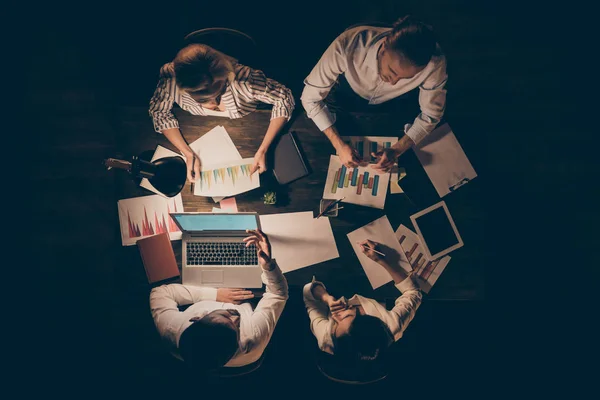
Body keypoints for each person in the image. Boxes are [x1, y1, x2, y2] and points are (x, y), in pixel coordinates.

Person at [301, 15, 447, 172]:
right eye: (392, 71)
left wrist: (397, 149)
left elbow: (431, 116)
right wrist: (339, 144)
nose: (393, 83)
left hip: (394, 106)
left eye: (406, 79)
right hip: (343, 96)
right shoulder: (347, 44)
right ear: (384, 47)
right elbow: (309, 98)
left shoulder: (434, 64)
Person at [149, 44, 295, 181]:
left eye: (221, 91)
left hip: (252, 126)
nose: (214, 103)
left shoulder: (246, 80)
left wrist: (263, 149)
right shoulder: (170, 79)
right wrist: (187, 153)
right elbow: (159, 112)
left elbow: (284, 98)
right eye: (202, 99)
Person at [149, 229, 288, 371]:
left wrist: (214, 295)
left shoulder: (171, 329)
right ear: (237, 344)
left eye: (224, 315)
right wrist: (268, 266)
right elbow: (278, 295)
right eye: (237, 328)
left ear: (196, 318)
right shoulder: (253, 337)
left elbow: (160, 293)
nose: (236, 318)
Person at [303, 239, 422, 361]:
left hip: (335, 282)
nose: (335, 317)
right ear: (367, 318)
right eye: (344, 317)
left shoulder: (325, 339)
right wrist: (380, 260)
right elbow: (413, 292)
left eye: (335, 328)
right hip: (379, 291)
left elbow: (308, 293)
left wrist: (326, 298)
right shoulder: (391, 325)